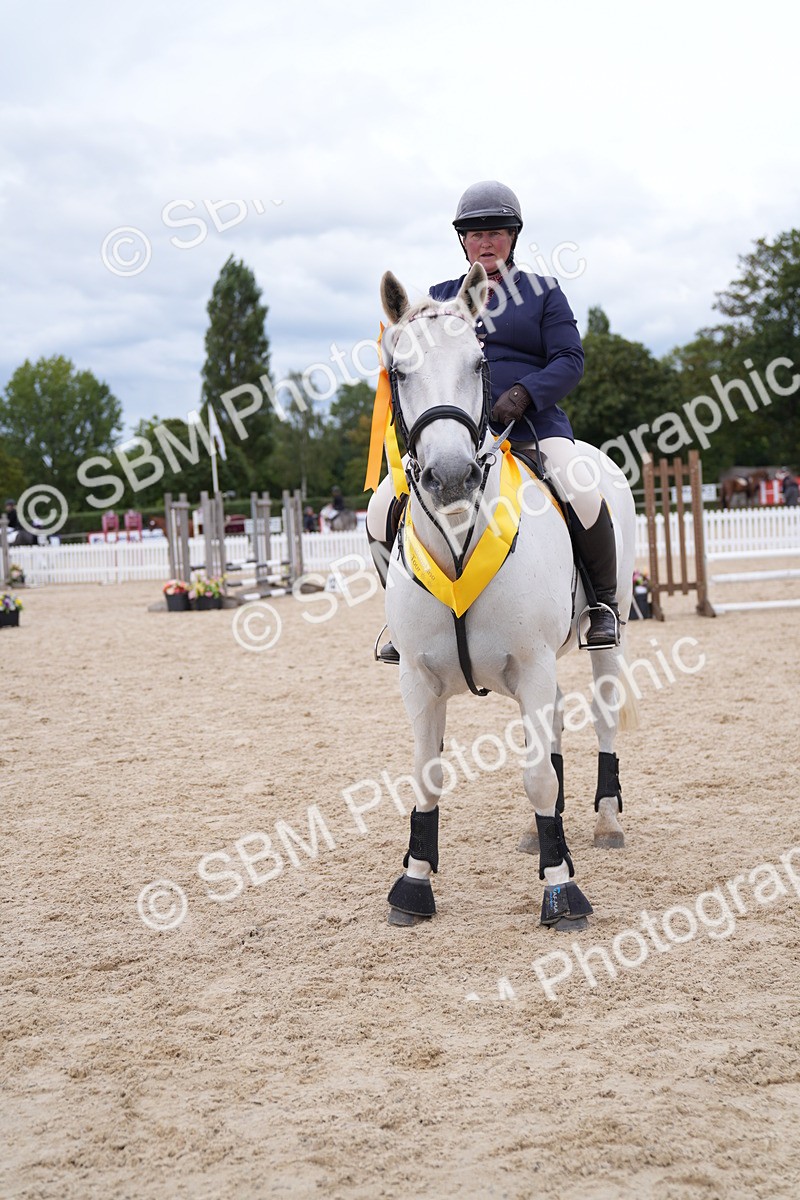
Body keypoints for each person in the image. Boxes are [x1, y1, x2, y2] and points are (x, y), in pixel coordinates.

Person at [367, 180, 620, 663]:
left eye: (497, 233)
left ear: (514, 237)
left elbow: (570, 358)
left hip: (533, 433)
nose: (487, 242)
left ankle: (601, 606)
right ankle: (403, 620)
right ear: (462, 240)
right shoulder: (437, 298)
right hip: (457, 440)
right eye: (476, 234)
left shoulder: (544, 294)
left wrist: (524, 394)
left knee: (583, 492)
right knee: (381, 511)